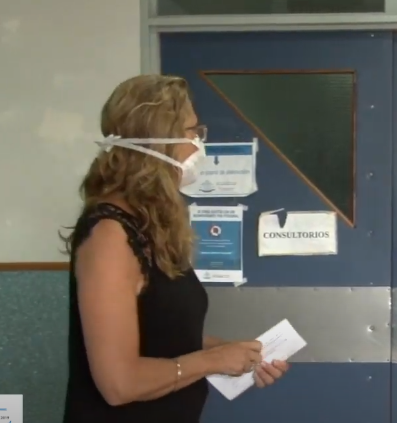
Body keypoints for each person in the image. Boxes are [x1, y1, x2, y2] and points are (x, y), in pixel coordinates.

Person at [61, 74, 289, 422]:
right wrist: (211, 361)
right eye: (192, 132)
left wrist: (232, 353)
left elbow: (161, 334)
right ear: (158, 143)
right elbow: (118, 383)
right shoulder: (110, 235)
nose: (199, 145)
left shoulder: (150, 226)